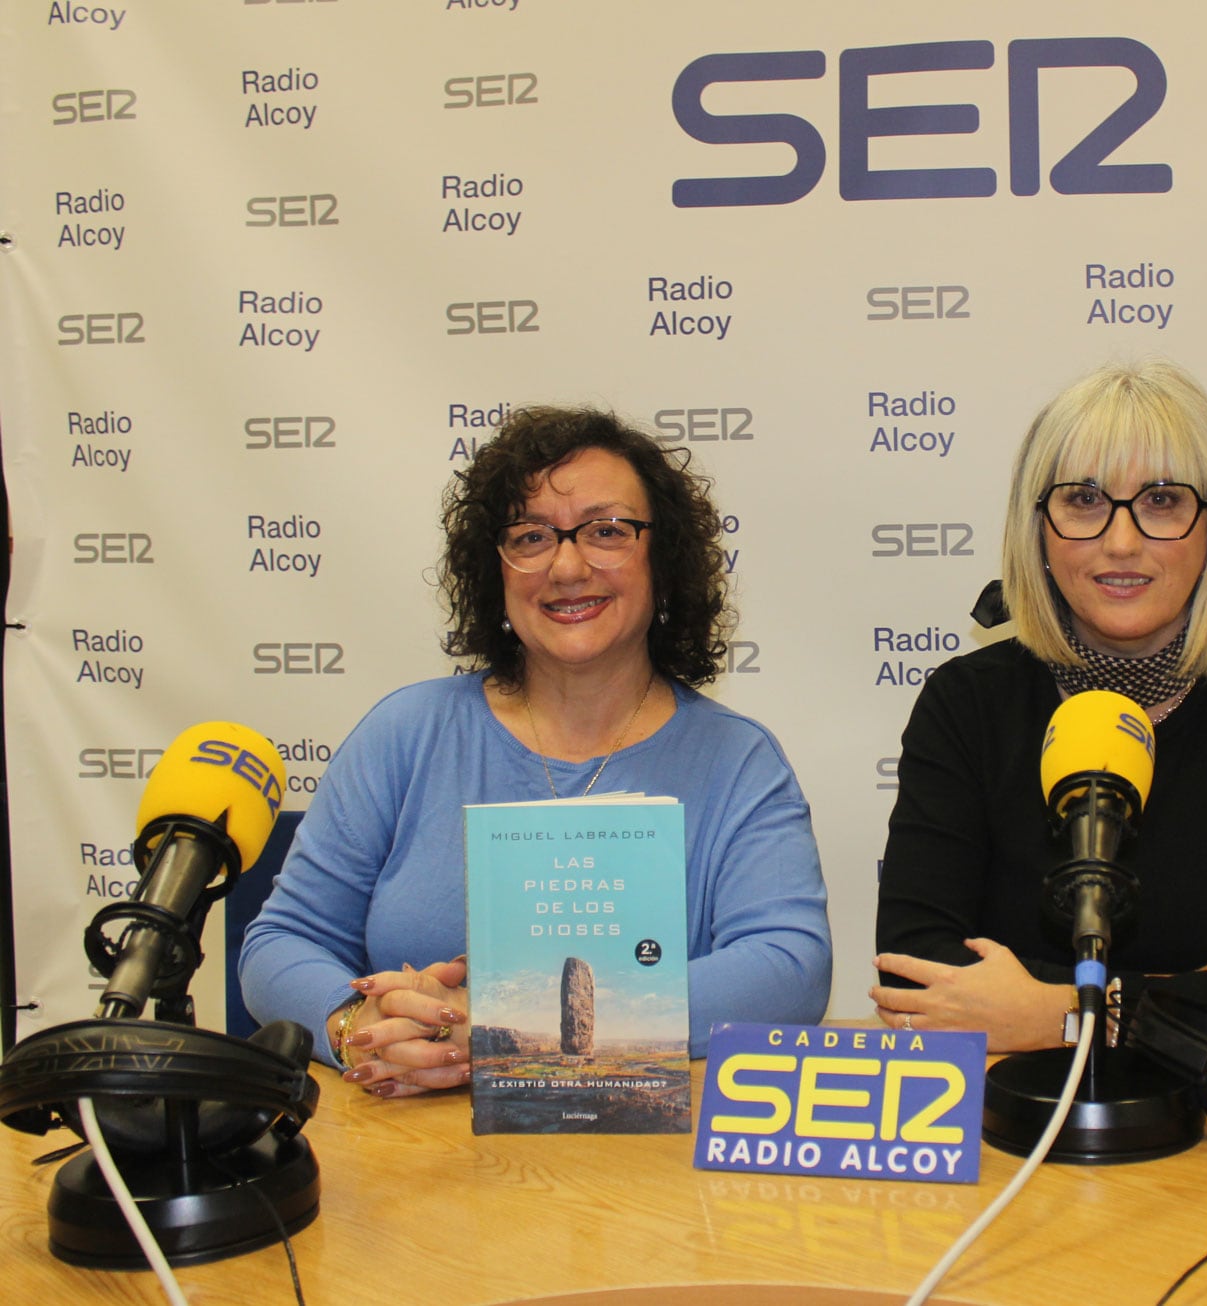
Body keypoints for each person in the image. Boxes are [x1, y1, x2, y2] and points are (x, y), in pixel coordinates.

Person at [241, 406, 832, 1096]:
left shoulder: (735, 760)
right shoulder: (405, 733)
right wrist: (361, 1030)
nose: (568, 564)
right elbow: (277, 945)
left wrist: (506, 1027)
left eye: (607, 531)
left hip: (646, 1170)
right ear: (494, 570)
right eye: (530, 537)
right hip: (413, 1155)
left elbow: (788, 971)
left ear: (663, 562)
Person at [871, 360, 1207, 1052]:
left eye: (1163, 501)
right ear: (1039, 530)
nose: (1121, 541)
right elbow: (919, 972)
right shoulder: (967, 703)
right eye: (1083, 500)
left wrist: (1055, 1015)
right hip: (1013, 1126)